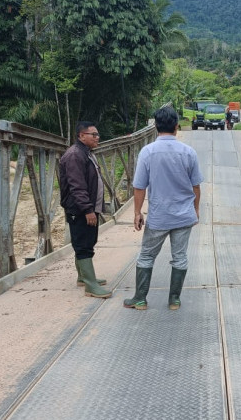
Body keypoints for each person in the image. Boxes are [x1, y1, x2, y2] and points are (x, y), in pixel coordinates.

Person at [124, 106, 203, 311]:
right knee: (180, 256)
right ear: (177, 126)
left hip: (159, 215)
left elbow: (139, 186)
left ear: (155, 127)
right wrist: (195, 210)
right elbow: (196, 186)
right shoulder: (188, 152)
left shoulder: (148, 152)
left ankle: (140, 299)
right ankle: (174, 300)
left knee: (147, 255)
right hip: (184, 215)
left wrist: (137, 212)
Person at [59, 121, 112, 298]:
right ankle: (90, 286)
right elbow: (77, 186)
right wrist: (88, 209)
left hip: (87, 207)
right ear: (82, 136)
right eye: (93, 135)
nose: (97, 138)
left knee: (87, 241)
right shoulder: (75, 155)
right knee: (83, 244)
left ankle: (84, 277)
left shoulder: (86, 153)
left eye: (97, 134)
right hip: (80, 209)